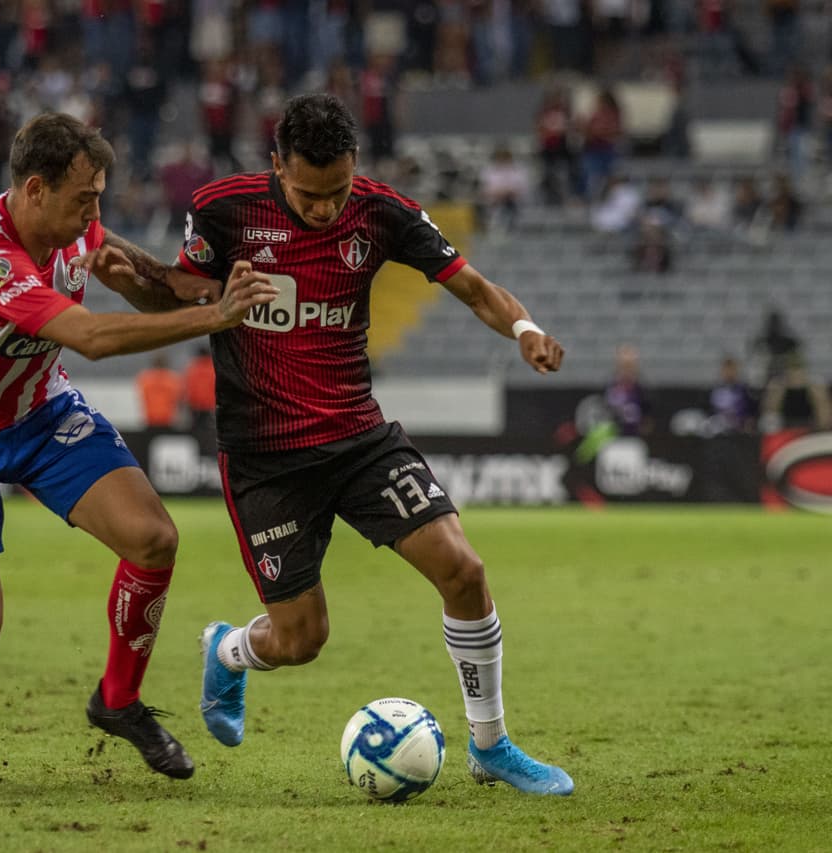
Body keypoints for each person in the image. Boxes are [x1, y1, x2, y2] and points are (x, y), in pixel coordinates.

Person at [177, 93, 574, 796]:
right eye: (310, 193)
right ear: (277, 166)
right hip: (267, 458)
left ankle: (492, 745)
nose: (328, 208)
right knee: (300, 639)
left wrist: (525, 332)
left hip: (359, 436)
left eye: (339, 190)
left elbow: (476, 288)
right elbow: (177, 292)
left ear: (357, 166)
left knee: (463, 570)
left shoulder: (382, 211)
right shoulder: (225, 209)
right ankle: (228, 649)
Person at [0, 112, 277, 788]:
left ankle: (119, 700)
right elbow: (92, 337)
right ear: (34, 189)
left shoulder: (74, 228)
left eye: (99, 196)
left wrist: (204, 287)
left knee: (154, 538)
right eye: (84, 197)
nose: (96, 212)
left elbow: (152, 286)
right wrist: (215, 317)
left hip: (40, 412)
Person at [603, 344, 652, 436]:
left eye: (629, 363)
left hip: (636, 439)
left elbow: (649, 417)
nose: (627, 367)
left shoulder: (642, 388)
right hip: (612, 438)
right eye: (624, 363)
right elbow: (605, 411)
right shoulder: (610, 386)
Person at [135, 353, 184, 428]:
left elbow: (142, 396)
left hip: (150, 417)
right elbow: (179, 399)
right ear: (167, 364)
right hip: (168, 418)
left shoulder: (144, 378)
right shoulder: (173, 378)